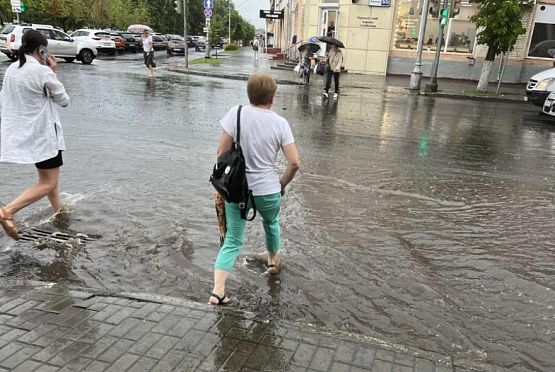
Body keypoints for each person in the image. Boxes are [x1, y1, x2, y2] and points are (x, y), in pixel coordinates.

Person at [209, 73, 300, 305]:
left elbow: (221, 153)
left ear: (249, 94)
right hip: (268, 190)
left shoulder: (236, 114)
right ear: (273, 97)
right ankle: (272, 261)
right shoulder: (280, 123)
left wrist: (222, 186)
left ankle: (218, 292)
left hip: (238, 190)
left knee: (233, 240)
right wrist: (281, 184)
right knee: (271, 223)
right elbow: (294, 163)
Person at [0, 30, 70, 240]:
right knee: (48, 182)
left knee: (50, 181)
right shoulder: (42, 72)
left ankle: (60, 216)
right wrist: (52, 72)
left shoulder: (13, 68)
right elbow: (64, 100)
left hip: (26, 135)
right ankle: (7, 211)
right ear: (41, 49)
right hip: (44, 135)